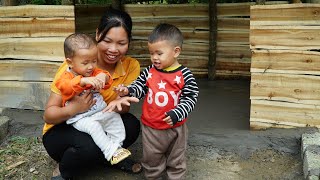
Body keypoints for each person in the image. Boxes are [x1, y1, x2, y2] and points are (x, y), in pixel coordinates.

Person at [42, 8, 142, 180]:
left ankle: (107, 156)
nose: (113, 49)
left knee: (131, 125)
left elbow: (122, 109)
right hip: (62, 128)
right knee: (89, 145)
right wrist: (75, 108)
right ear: (97, 35)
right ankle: (64, 170)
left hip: (99, 116)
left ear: (129, 42)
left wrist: (119, 103)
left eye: (121, 43)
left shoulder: (131, 66)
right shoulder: (72, 68)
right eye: (107, 41)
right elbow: (49, 116)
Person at [113, 23, 199, 180]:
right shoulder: (149, 72)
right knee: (152, 159)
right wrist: (128, 90)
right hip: (151, 128)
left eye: (159, 53)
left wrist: (177, 113)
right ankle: (154, 176)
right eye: (151, 53)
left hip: (176, 128)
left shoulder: (184, 75)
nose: (154, 58)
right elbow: (139, 87)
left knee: (176, 159)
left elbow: (191, 98)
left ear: (176, 52)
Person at [56, 33, 131, 166]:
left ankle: (116, 147)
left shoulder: (93, 71)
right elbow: (65, 87)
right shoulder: (65, 77)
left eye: (94, 61)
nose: (91, 66)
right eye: (85, 63)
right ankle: (109, 151)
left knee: (114, 117)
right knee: (94, 127)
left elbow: (105, 77)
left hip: (99, 111)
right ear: (70, 62)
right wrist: (83, 81)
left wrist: (104, 77)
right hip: (81, 118)